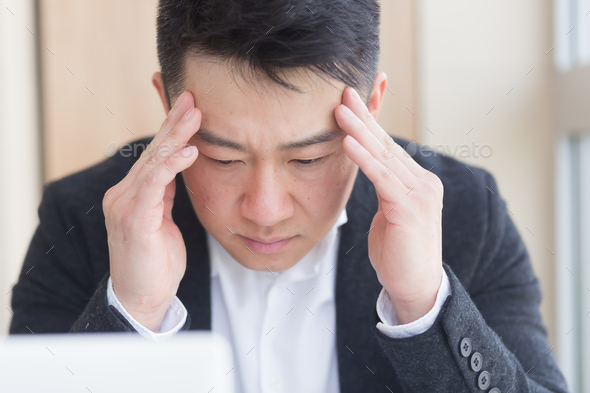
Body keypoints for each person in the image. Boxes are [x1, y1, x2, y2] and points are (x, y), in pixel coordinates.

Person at [9, 1, 568, 392]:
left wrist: (423, 305)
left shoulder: (466, 213)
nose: (266, 209)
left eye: (308, 158)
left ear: (370, 108)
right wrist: (131, 312)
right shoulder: (84, 218)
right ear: (168, 106)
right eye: (224, 158)